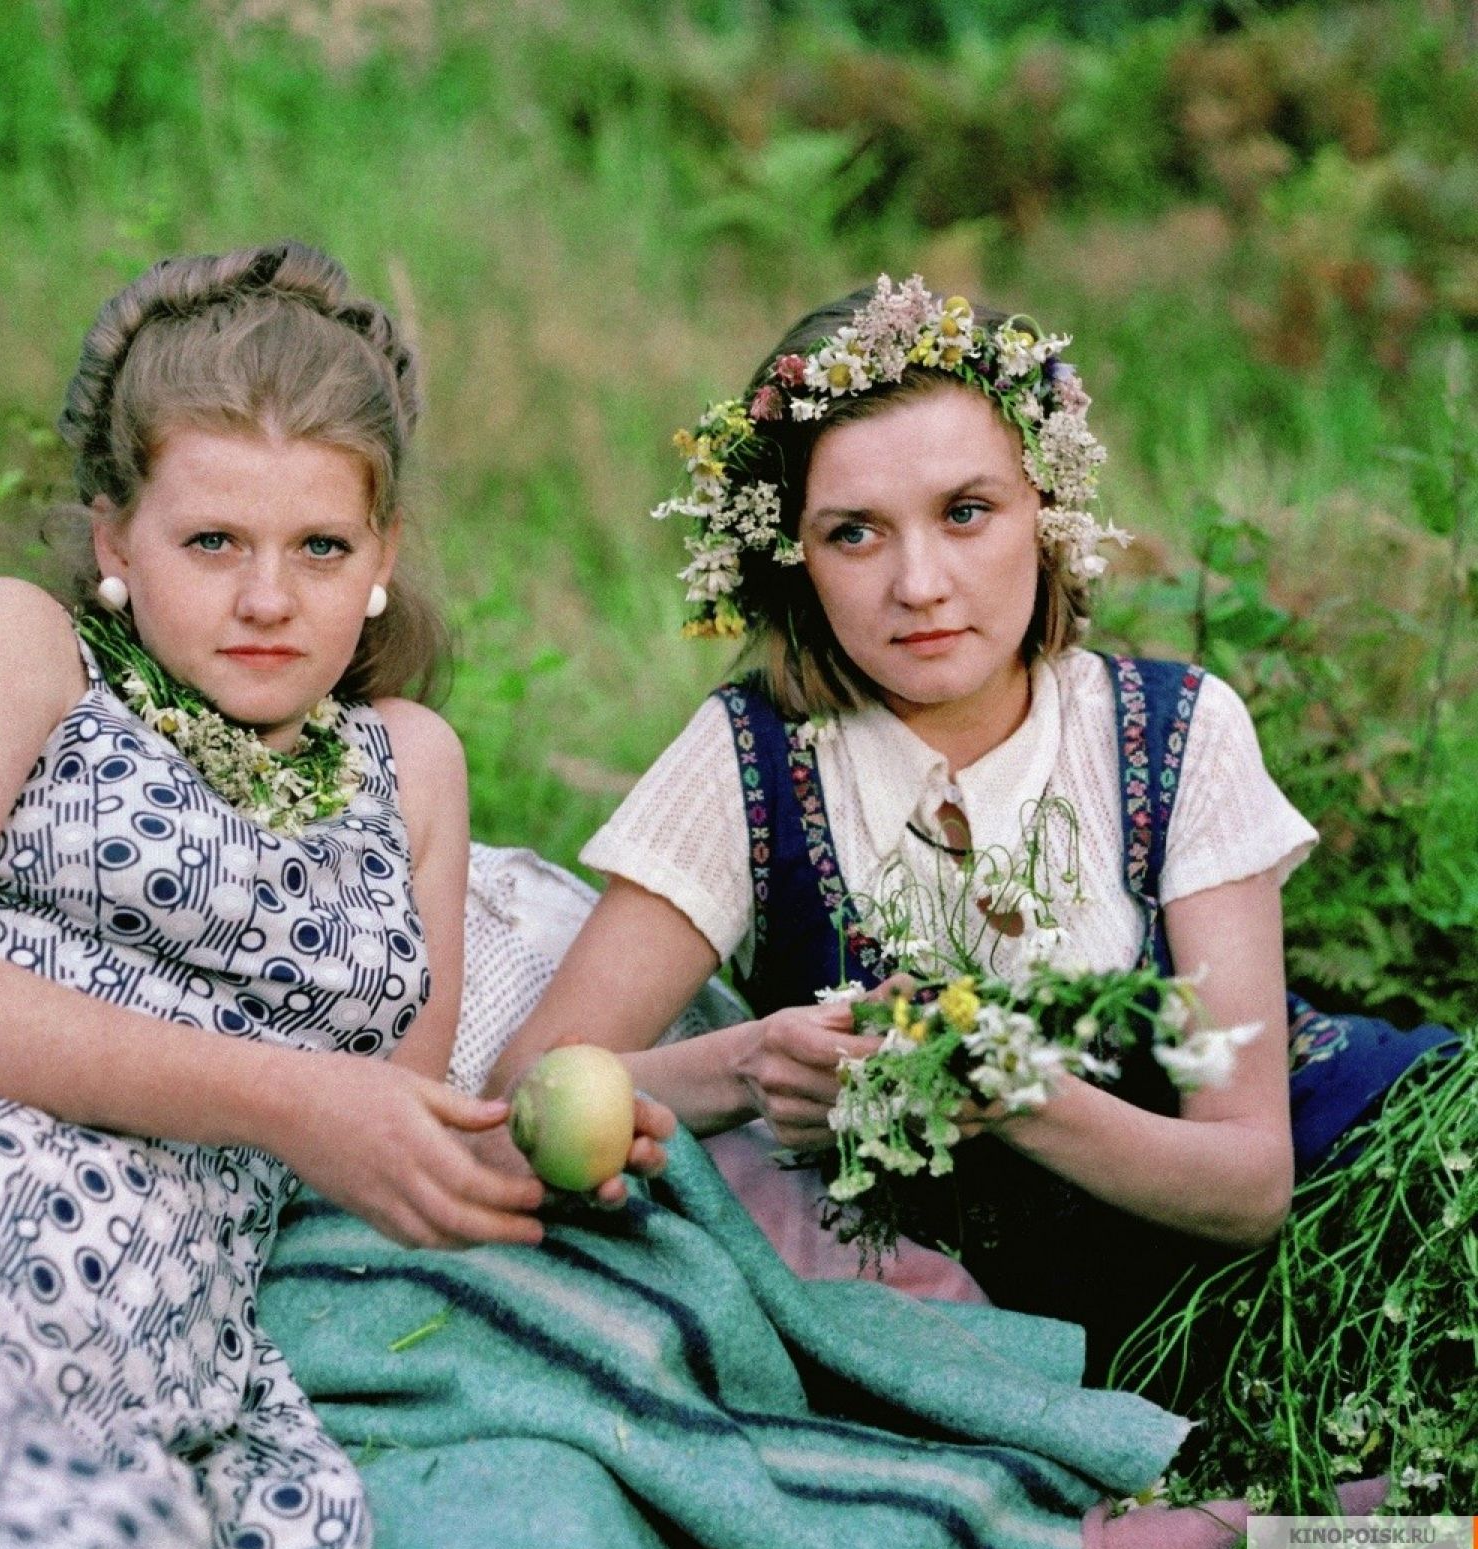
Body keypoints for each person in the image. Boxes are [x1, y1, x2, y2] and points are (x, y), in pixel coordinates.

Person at [0, 240, 557, 1549]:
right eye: (212, 540)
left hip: (127, 1315)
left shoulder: (410, 765)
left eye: (320, 544)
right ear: (113, 537)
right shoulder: (19, 647)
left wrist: (676, 1087)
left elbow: (399, 1129)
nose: (269, 597)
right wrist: (286, 1099)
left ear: (381, 550)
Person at [482, 274, 1462, 1382]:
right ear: (792, 558)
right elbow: (529, 1090)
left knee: (1414, 1524)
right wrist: (748, 1065)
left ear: (1043, 513)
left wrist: (1002, 1097)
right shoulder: (753, 759)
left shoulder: (1172, 731)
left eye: (965, 512)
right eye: (854, 533)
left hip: (1354, 1199)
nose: (920, 583)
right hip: (1030, 1344)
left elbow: (1249, 1186)